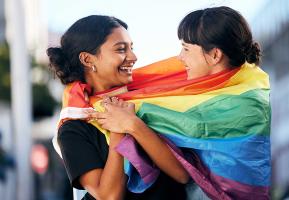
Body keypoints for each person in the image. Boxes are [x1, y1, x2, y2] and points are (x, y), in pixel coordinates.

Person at [89, 7, 271, 200]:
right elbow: (182, 170)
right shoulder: (201, 94)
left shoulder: (244, 104)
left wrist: (131, 123)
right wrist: (132, 123)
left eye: (186, 49)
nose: (179, 57)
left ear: (215, 55)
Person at [47, 15, 188, 200]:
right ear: (88, 60)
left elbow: (181, 174)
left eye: (131, 48)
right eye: (121, 49)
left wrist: (132, 124)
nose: (133, 57)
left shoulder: (146, 103)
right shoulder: (73, 128)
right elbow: (109, 196)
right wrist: (117, 132)